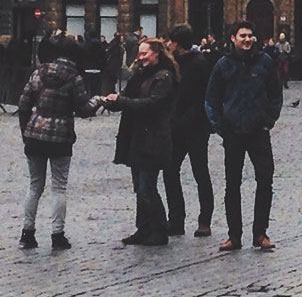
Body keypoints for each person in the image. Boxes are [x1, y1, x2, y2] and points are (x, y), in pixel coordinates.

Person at [205, 20, 283, 251]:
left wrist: (269, 121)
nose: (247, 39)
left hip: (259, 131)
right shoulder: (223, 65)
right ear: (233, 38)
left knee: (265, 181)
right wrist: (221, 128)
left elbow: (275, 95)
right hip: (233, 132)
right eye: (243, 36)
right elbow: (211, 100)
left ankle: (260, 233)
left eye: (250, 35)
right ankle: (234, 235)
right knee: (232, 185)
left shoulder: (265, 62)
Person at [17, 36, 99, 249]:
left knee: (34, 185)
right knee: (59, 187)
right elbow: (83, 108)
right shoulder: (74, 77)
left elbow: (23, 104)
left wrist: (26, 130)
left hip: (35, 133)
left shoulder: (38, 73)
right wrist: (97, 101)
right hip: (61, 136)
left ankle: (27, 232)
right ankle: (57, 234)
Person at [103, 37, 179, 246]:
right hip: (137, 137)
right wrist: (111, 102)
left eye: (144, 52)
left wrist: (123, 101)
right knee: (139, 186)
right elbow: (128, 99)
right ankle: (144, 227)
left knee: (147, 186)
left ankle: (159, 229)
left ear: (156, 54)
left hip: (154, 139)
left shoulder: (164, 77)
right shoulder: (140, 75)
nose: (140, 56)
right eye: (140, 52)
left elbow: (152, 105)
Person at [163, 25, 214, 238]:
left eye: (170, 41)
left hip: (196, 127)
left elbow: (209, 93)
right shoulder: (171, 63)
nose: (168, 44)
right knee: (169, 171)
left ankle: (205, 220)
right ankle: (176, 219)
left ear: (177, 43)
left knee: (200, 171)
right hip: (175, 126)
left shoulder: (199, 63)